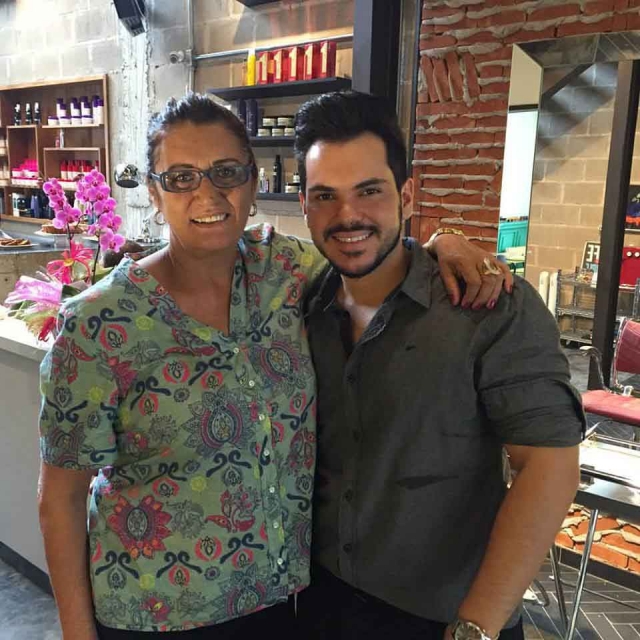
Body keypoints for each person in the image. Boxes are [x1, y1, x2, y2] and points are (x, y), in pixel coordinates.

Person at [37, 93, 510, 639]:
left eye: (226, 172)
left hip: (281, 604)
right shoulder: (98, 324)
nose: (207, 194)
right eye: (181, 177)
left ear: (254, 181)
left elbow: (371, 251)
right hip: (156, 614)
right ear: (153, 192)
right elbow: (60, 500)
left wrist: (441, 243)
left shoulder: (285, 269)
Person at [295, 91, 585, 640]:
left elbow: (549, 468)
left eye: (370, 191)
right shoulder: (302, 303)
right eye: (325, 196)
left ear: (406, 194)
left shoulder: (487, 306)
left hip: (446, 617)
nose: (348, 215)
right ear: (304, 205)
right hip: (321, 600)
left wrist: (476, 627)